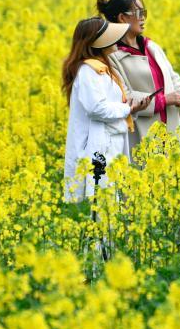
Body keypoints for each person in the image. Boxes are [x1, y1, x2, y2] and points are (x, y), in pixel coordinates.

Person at [97, 0, 180, 155]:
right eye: (138, 13)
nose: (143, 18)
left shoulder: (152, 47)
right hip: (143, 134)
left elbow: (172, 81)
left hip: (171, 130)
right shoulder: (112, 56)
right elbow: (123, 97)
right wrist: (163, 100)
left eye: (144, 13)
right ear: (122, 18)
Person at [61, 16, 151, 205]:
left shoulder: (105, 69)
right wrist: (127, 108)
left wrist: (132, 109)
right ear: (97, 43)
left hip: (112, 141)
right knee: (102, 204)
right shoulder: (88, 71)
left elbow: (114, 105)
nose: (117, 39)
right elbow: (96, 108)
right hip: (99, 146)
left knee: (111, 202)